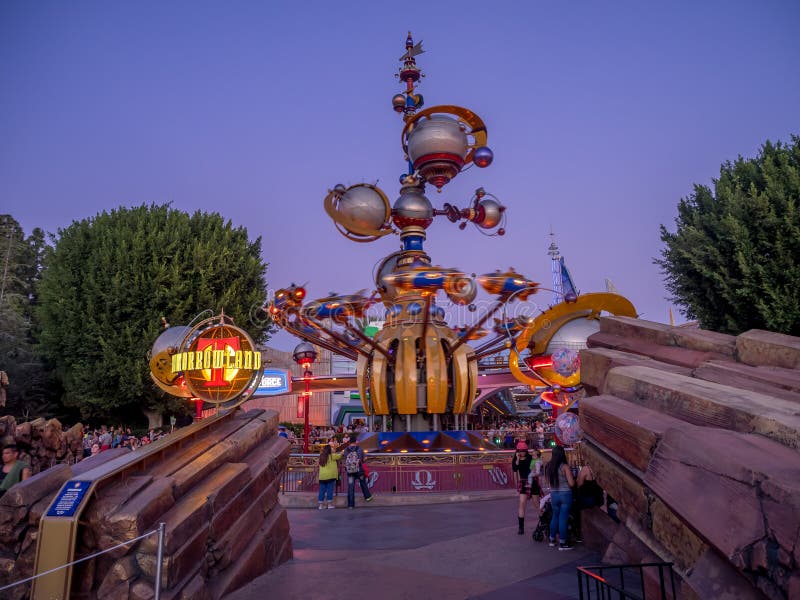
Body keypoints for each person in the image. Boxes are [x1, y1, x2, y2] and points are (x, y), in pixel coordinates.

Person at [544, 445, 575, 550]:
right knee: (563, 518)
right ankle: (563, 542)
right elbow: (571, 483)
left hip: (554, 494)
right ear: (562, 454)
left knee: (555, 516)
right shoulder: (564, 466)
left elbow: (547, 482)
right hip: (565, 494)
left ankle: (552, 540)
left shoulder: (548, 466)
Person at [341, 434, 373, 509]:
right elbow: (364, 458)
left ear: (349, 442)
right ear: (355, 441)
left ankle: (351, 505)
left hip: (350, 471)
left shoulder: (346, 450)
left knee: (351, 487)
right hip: (359, 470)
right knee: (363, 482)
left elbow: (345, 458)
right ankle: (367, 497)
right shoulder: (359, 448)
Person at [511, 442, 534, 534]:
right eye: (519, 451)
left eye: (523, 451)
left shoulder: (530, 458)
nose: (521, 452)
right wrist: (517, 459)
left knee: (537, 503)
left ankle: (543, 521)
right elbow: (515, 469)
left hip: (532, 481)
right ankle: (521, 527)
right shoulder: (516, 458)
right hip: (524, 482)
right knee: (522, 503)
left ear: (526, 451)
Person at [317, 444, 341, 509]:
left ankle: (320, 505)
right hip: (331, 476)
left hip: (322, 476)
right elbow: (340, 455)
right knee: (330, 490)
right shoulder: (332, 456)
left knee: (322, 490)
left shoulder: (321, 456)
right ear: (330, 450)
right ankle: (329, 504)